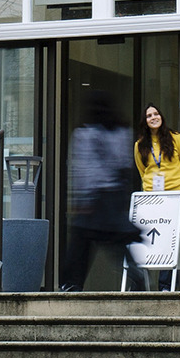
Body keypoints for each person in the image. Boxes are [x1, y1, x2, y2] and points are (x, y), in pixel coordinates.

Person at [61, 90, 143, 292]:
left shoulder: (85, 134)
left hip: (95, 197)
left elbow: (84, 169)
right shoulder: (122, 132)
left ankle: (72, 283)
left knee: (81, 241)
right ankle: (135, 272)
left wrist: (82, 200)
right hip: (114, 196)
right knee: (115, 240)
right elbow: (125, 165)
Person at [134, 103, 180, 289]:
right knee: (152, 240)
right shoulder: (139, 145)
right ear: (145, 121)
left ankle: (165, 285)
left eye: (156, 114)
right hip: (152, 199)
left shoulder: (177, 139)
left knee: (170, 240)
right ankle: (141, 283)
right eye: (149, 115)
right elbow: (142, 170)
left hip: (175, 196)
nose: (154, 117)